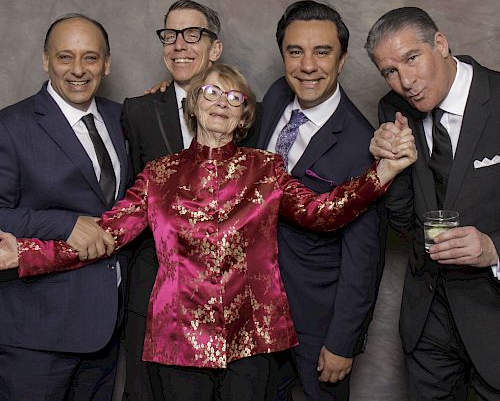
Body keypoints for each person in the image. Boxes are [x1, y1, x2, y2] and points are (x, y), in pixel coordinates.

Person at [0, 64, 416, 401]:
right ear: (194, 107)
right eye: (211, 93)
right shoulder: (158, 174)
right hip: (177, 341)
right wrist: (27, 253)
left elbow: (320, 212)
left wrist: (383, 172)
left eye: (234, 97)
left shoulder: (267, 169)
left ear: (243, 116)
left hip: (253, 341)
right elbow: (107, 233)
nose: (222, 103)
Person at [120, 0, 260, 399]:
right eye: (170, 35)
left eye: (192, 34)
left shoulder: (249, 112)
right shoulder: (139, 110)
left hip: (231, 300)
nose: (179, 44)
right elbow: (128, 200)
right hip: (156, 296)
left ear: (215, 48)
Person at [366, 6, 500, 400]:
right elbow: (405, 223)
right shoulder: (394, 112)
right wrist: (388, 170)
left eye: (412, 58)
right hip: (428, 323)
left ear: (440, 44)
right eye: (389, 71)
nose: (405, 82)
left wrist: (494, 247)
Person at [0, 14, 130, 400]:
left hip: (107, 329)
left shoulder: (121, 117)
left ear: (106, 63)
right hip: (37, 335)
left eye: (90, 58)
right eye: (65, 57)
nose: (78, 70)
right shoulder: (11, 125)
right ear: (46, 60)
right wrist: (65, 224)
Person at [258, 0, 383, 400]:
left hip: (317, 321)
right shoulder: (276, 97)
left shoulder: (362, 145)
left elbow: (365, 258)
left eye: (322, 52)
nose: (307, 65)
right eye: (296, 52)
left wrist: (342, 341)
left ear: (343, 60)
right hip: (256, 308)